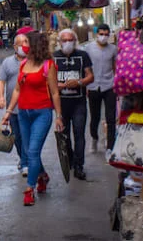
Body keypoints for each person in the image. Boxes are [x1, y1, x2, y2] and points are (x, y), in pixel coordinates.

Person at [1, 31, 64, 206]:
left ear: (35, 45)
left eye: (27, 42)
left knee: (33, 151)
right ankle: (42, 176)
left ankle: (30, 189)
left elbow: (54, 92)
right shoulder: (23, 64)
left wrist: (59, 116)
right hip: (23, 113)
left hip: (42, 113)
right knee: (28, 152)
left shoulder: (48, 65)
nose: (23, 46)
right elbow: (17, 90)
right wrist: (8, 111)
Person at [53, 28, 94, 180]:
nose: (68, 43)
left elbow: (90, 77)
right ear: (59, 42)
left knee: (79, 134)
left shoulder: (83, 56)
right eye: (64, 40)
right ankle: (70, 159)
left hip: (79, 103)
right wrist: (60, 85)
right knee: (65, 135)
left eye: (70, 40)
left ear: (75, 42)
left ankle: (79, 166)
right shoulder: (54, 58)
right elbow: (48, 82)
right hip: (62, 105)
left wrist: (78, 82)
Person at [83, 24, 118, 162]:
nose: (103, 36)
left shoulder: (113, 49)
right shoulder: (88, 48)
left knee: (110, 118)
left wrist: (116, 82)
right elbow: (85, 68)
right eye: (101, 33)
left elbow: (115, 67)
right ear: (96, 34)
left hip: (109, 86)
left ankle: (110, 146)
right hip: (93, 86)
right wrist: (85, 85)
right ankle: (94, 138)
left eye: (106, 34)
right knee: (95, 117)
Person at [0, 34, 29, 176]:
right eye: (20, 44)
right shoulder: (7, 62)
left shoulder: (33, 61)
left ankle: (26, 163)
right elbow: (1, 81)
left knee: (26, 135)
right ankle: (24, 159)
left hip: (29, 106)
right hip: (13, 108)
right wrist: (0, 97)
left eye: (26, 43)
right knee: (17, 136)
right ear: (15, 47)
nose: (23, 46)